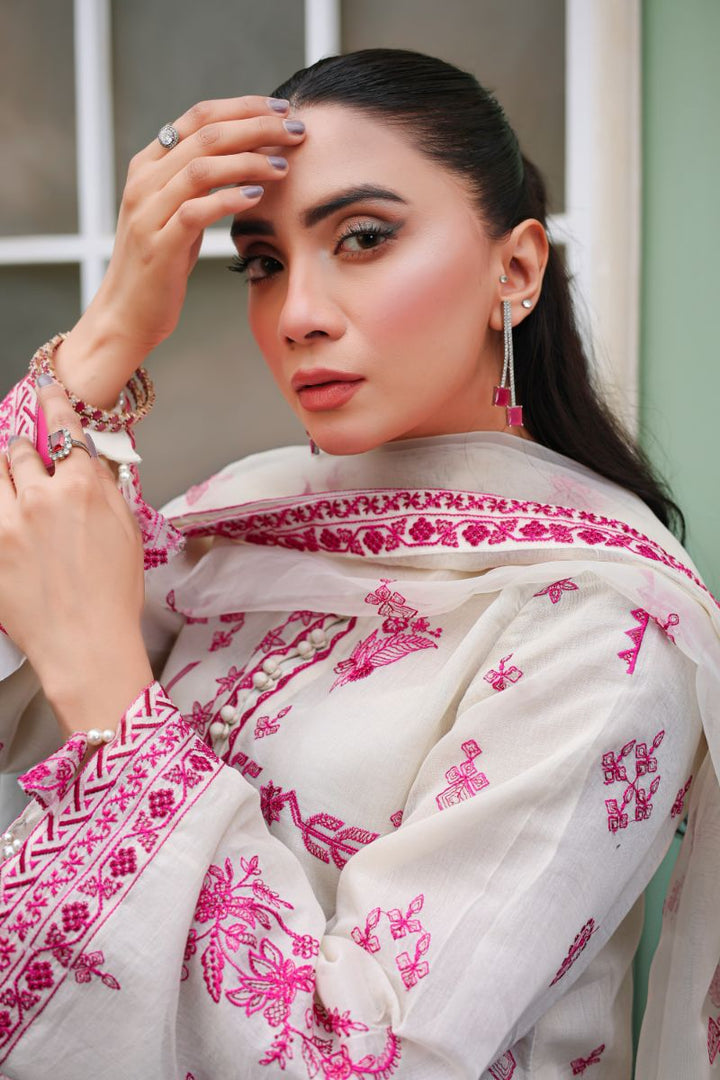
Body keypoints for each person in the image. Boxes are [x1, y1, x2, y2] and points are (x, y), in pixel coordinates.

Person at [0, 48, 717, 1080]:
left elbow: (365, 1060)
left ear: (516, 270)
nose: (297, 313)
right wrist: (112, 330)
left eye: (365, 238)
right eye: (262, 262)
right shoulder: (239, 519)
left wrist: (109, 692)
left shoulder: (600, 627)